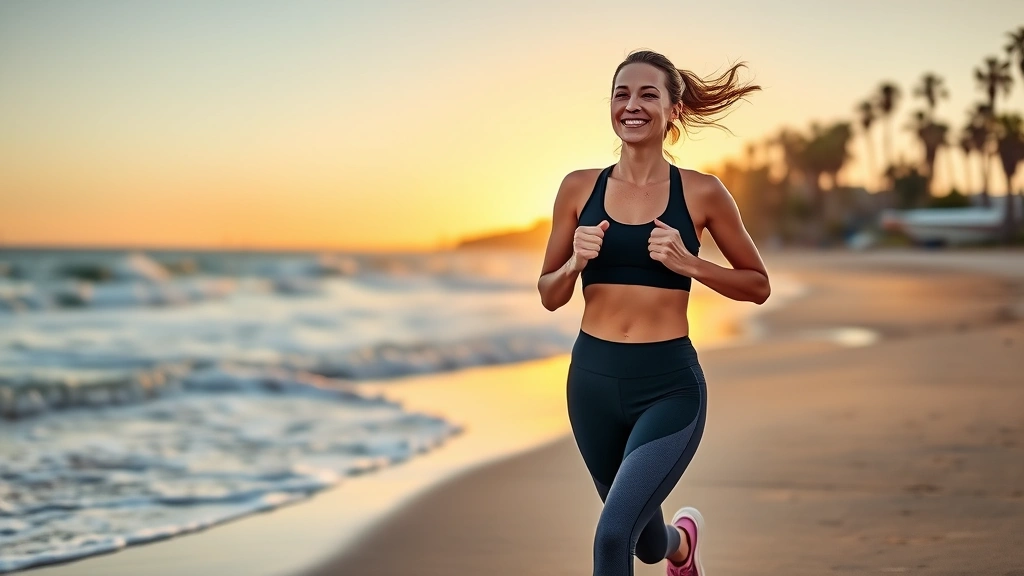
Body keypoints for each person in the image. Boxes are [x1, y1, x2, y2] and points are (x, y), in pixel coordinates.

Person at [536, 49, 771, 576]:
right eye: (622, 94)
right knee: (643, 541)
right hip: (591, 386)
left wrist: (691, 264)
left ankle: (675, 546)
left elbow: (757, 285)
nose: (632, 105)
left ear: (673, 111)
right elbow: (549, 292)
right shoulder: (579, 188)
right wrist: (574, 262)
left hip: (667, 388)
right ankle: (682, 548)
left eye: (647, 94)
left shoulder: (703, 192)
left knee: (612, 537)